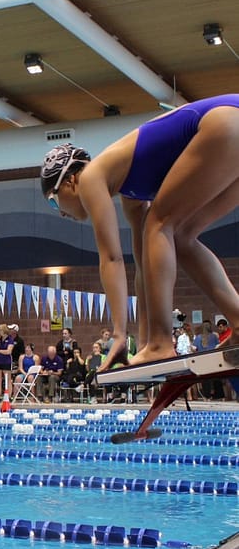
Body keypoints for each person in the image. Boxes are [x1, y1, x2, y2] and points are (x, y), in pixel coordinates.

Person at [39, 95, 239, 370]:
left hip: (225, 122)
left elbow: (111, 258)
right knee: (178, 236)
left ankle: (161, 344)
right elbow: (145, 267)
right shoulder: (130, 191)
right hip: (229, 126)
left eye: (53, 200)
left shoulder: (90, 177)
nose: (60, 212)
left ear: (70, 180)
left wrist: (121, 334)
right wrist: (141, 343)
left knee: (160, 224)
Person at [0, 323, 14, 399]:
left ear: (4, 331)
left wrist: (0, 351)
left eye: (0, 330)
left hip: (6, 361)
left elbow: (8, 351)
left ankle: (9, 396)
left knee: (8, 380)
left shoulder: (10, 339)